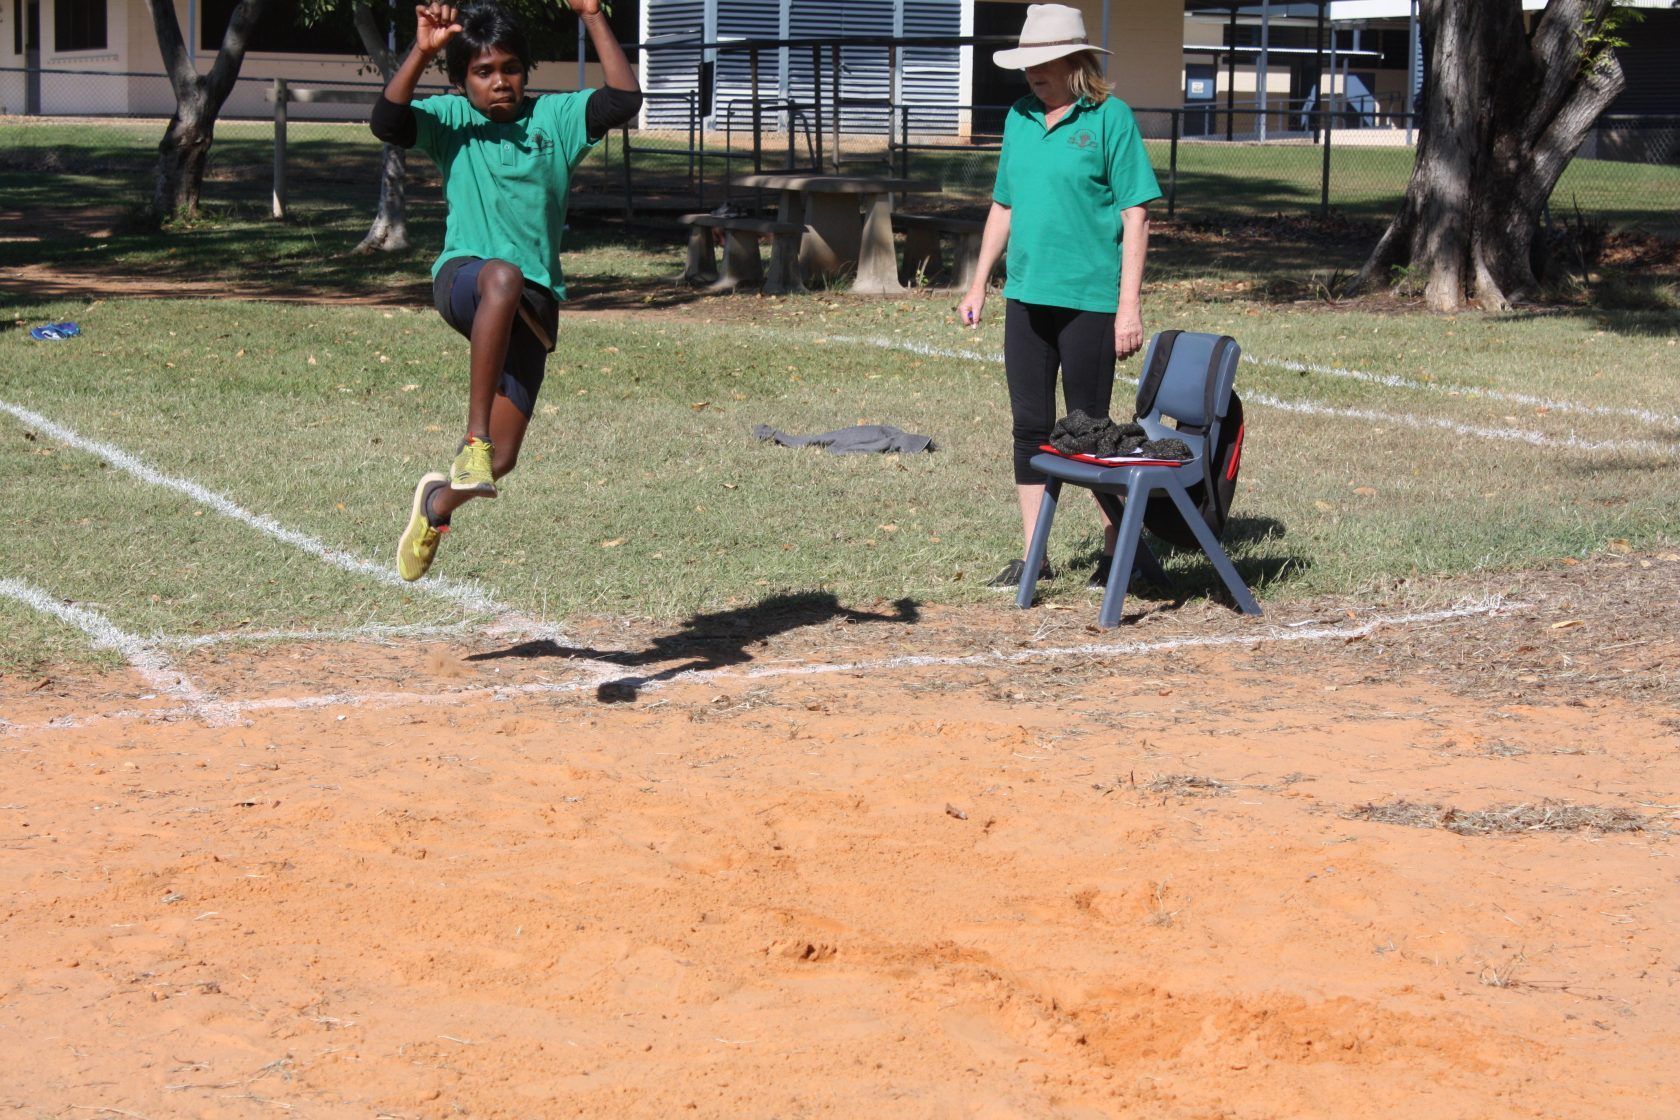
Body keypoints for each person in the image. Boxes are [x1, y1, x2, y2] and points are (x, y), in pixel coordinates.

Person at [373, 0, 641, 581]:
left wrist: (592, 14)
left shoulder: (556, 120)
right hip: (465, 278)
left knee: (506, 457)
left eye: (511, 68)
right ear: (461, 79)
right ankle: (472, 438)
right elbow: (387, 123)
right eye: (483, 71)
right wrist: (422, 50)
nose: (500, 82)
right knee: (501, 276)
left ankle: (436, 505)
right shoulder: (450, 122)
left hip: (534, 305)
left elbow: (623, 99)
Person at [956, 3, 1160, 591]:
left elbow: (1136, 214)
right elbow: (1004, 205)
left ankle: (1117, 550)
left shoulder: (1111, 118)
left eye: (1043, 64)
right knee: (1029, 428)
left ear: (1076, 62)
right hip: (1025, 297)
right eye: (1027, 65)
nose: (1032, 75)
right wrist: (978, 283)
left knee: (1088, 429)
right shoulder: (1020, 117)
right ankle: (1034, 554)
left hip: (1090, 301)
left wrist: (1129, 306)